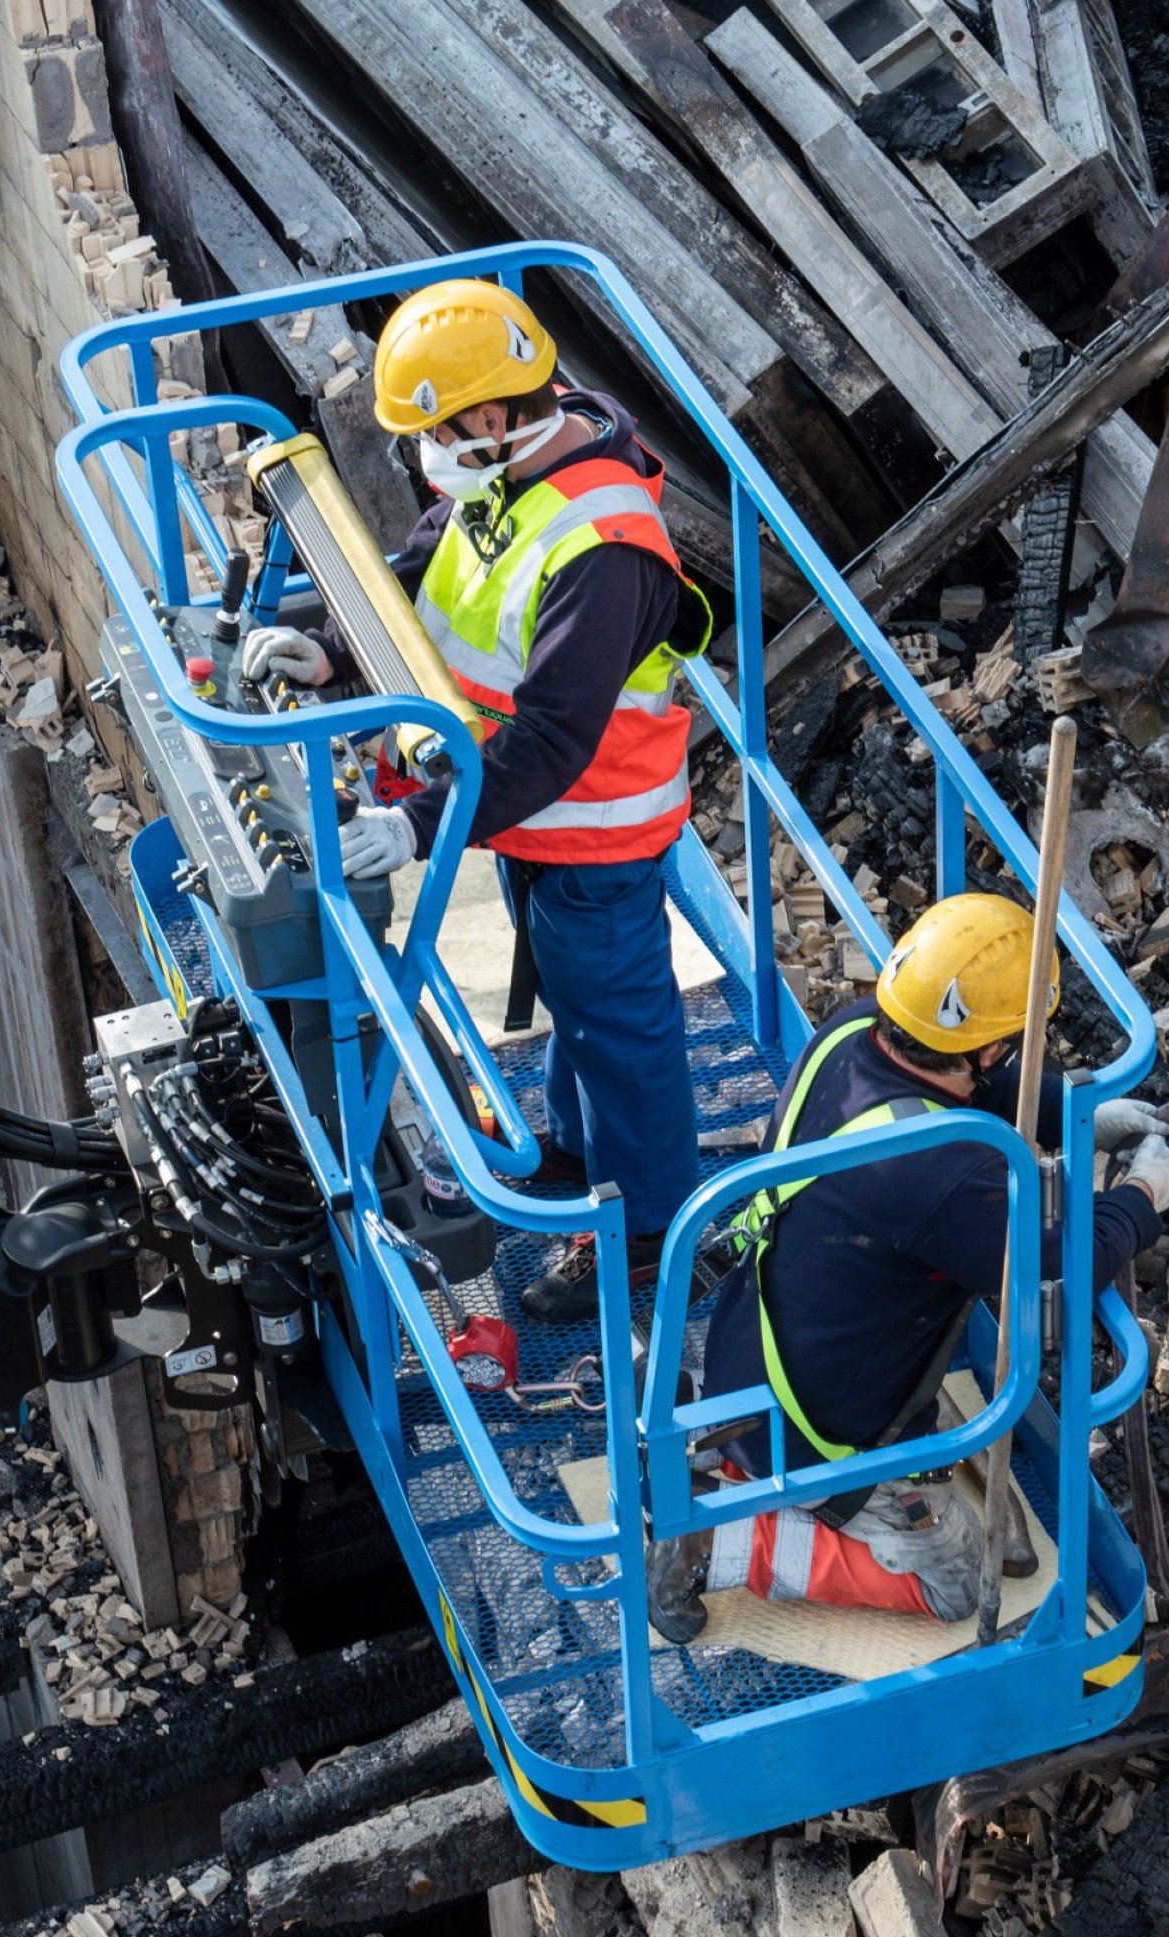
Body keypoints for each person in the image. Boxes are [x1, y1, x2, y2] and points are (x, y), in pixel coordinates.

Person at [238, 278, 712, 1323]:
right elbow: (416, 572)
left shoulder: (604, 549)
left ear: (491, 418)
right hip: (522, 818)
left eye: (427, 435)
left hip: (592, 832)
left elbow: (548, 741)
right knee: (579, 1015)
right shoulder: (501, 474)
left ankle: (647, 1239)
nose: (419, 460)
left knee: (624, 1034)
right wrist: (328, 648)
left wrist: (410, 825)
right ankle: (577, 1154)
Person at [647, 893, 1169, 1642]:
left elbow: (986, 1079)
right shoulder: (939, 1172)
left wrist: (1072, 1114)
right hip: (817, 1427)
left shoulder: (850, 1032)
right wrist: (1141, 1197)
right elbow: (1059, 1269)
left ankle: (774, 1473)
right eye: (1015, 1038)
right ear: (990, 1046)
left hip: (761, 1342)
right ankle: (717, 1540)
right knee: (960, 1586)